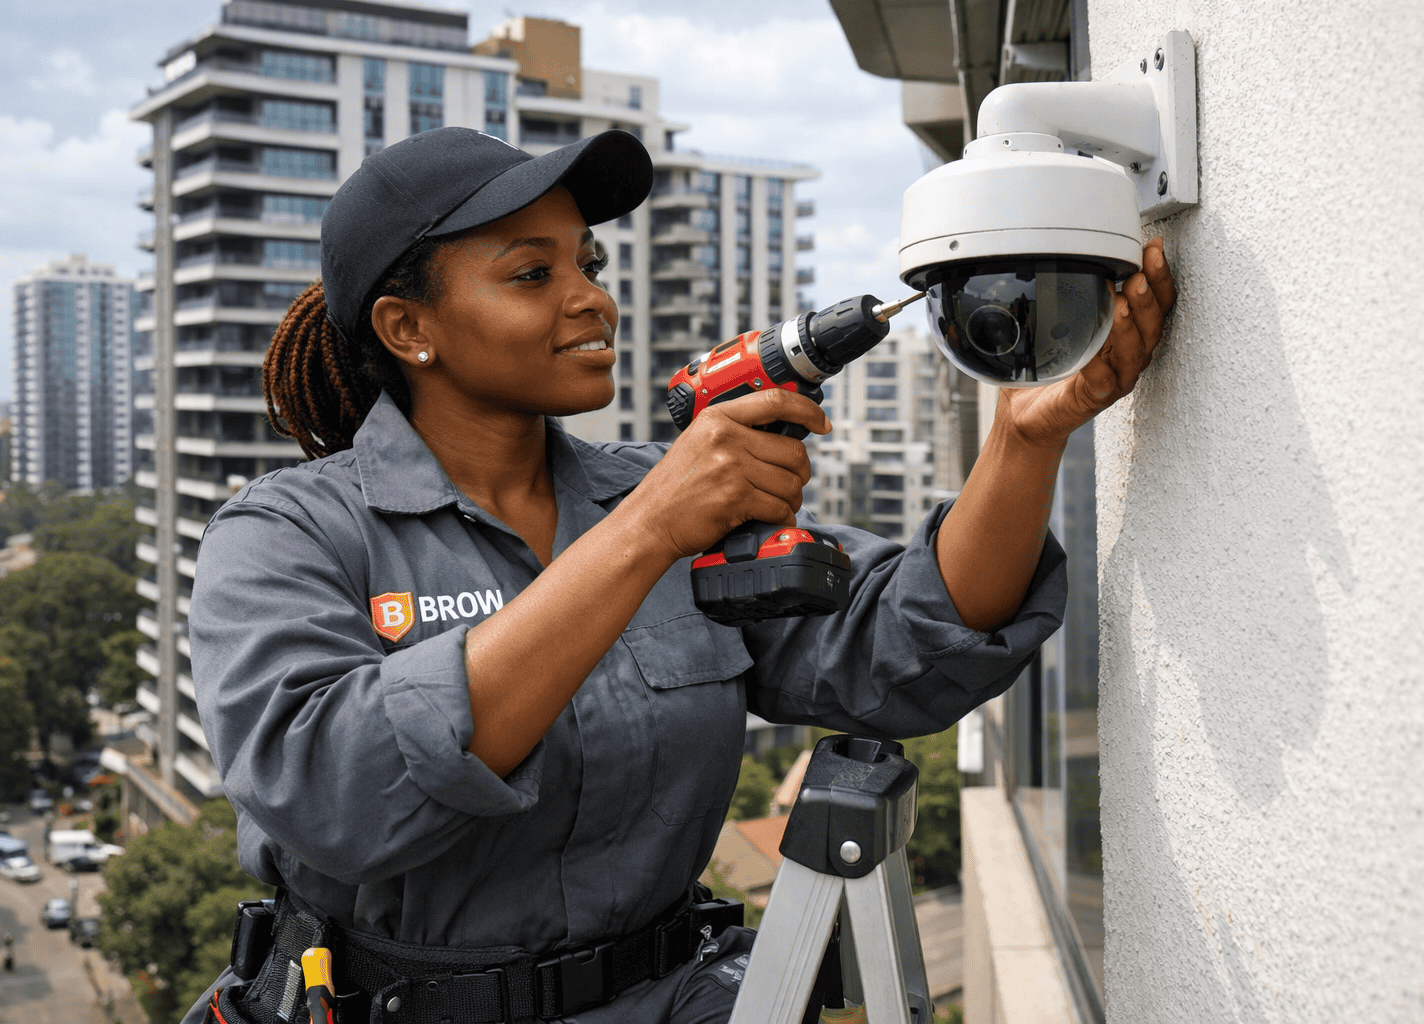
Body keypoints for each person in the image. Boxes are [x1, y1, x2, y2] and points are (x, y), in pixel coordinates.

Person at [181, 127, 1174, 1024]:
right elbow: (331, 788)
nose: (591, 297)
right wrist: (649, 531)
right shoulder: (287, 535)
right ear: (409, 329)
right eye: (532, 273)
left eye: (590, 261)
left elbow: (901, 645)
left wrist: (1026, 440)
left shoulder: (659, 493)